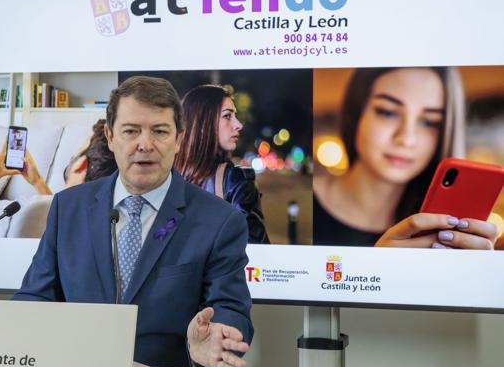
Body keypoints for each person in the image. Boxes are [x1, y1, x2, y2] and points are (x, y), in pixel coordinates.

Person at [14, 76, 253, 367]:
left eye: (160, 131)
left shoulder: (219, 220)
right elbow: (36, 296)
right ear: (110, 137)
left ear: (179, 140)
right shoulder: (68, 207)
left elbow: (229, 306)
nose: (145, 144)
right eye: (130, 131)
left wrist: (214, 338)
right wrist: (5, 329)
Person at [314, 67, 498, 249]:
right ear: (356, 114)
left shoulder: (440, 233)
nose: (406, 139)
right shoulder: (297, 201)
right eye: (388, 112)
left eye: (429, 122)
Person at [0, 120, 116, 237]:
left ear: (80, 165)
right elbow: (56, 211)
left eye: (78, 151)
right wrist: (38, 181)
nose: (73, 155)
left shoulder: (11, 213)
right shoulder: (101, 223)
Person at [174, 84, 270, 244]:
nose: (239, 125)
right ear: (203, 123)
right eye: (227, 116)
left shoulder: (165, 179)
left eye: (235, 116)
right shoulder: (235, 180)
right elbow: (257, 253)